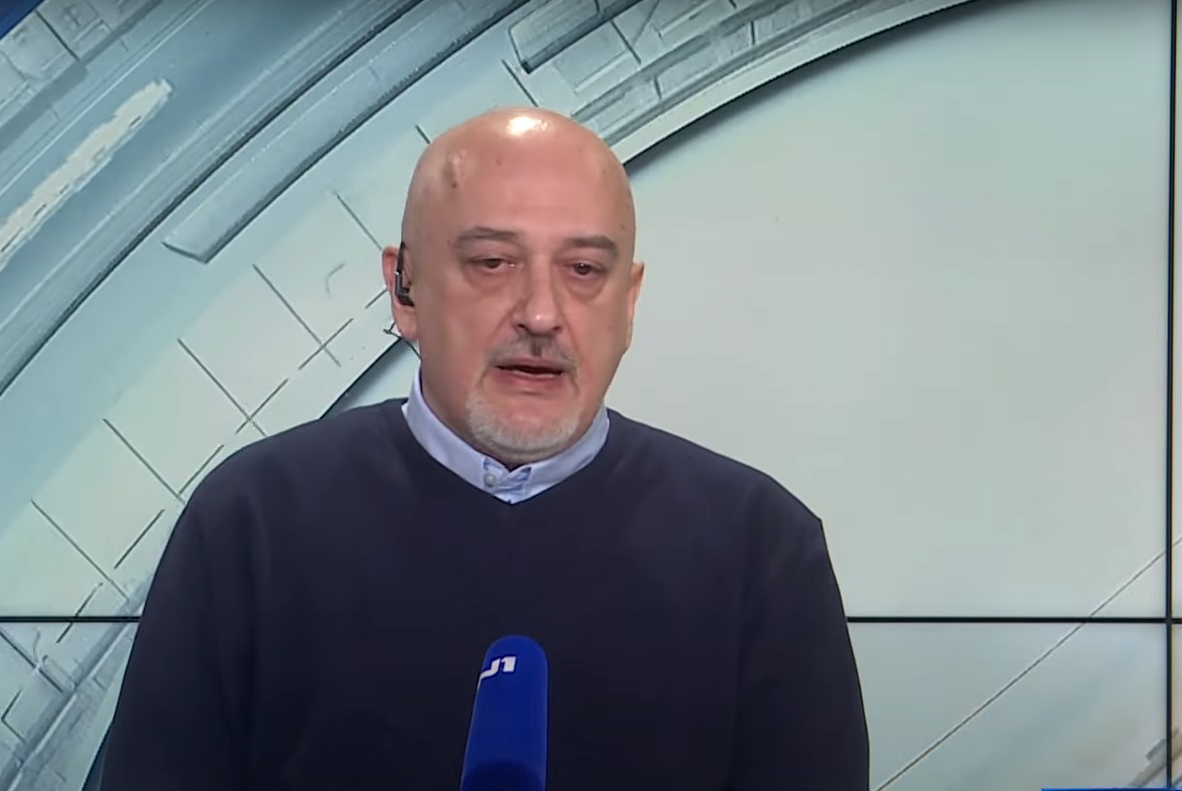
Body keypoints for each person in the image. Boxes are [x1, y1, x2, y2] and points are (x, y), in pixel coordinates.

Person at [98, 107, 868, 790]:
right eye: (493, 263)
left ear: (628, 302)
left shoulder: (760, 546)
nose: (541, 313)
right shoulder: (252, 522)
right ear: (404, 288)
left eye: (584, 270)